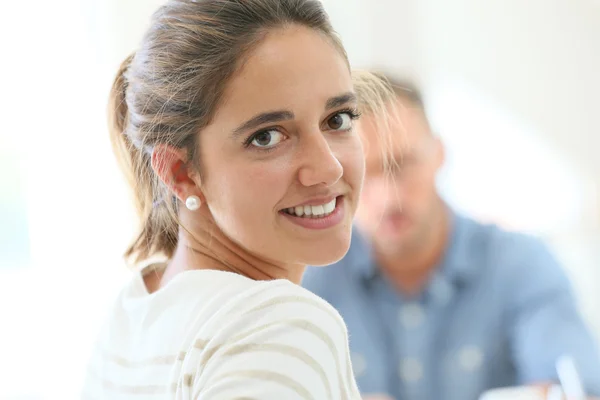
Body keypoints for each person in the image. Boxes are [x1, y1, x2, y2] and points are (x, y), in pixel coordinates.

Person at [81, 1, 396, 398]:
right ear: (180, 172)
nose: (328, 168)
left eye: (338, 119)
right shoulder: (281, 326)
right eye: (266, 137)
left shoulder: (132, 313)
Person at [302, 74, 600, 400]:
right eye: (363, 173)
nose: (389, 197)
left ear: (439, 155)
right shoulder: (310, 286)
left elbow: (573, 385)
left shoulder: (520, 265)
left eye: (403, 164)